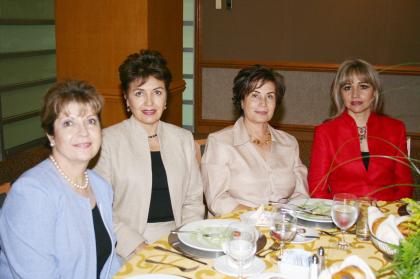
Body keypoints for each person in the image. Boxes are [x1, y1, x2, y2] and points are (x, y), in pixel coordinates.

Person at [0, 80, 121, 278]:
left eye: (91, 121)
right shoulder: (31, 193)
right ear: (51, 135)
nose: (83, 132)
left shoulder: (99, 186)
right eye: (68, 123)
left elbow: (108, 263)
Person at [94, 49, 204, 260]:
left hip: (179, 238)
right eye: (139, 93)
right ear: (126, 99)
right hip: (127, 244)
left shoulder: (182, 139)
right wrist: (138, 246)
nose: (149, 102)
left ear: (166, 98)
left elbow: (193, 200)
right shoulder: (107, 141)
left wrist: (185, 239)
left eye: (157, 92)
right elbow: (101, 208)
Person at [201, 65, 309, 216]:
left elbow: (301, 196)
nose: (263, 103)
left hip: (281, 226)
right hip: (236, 228)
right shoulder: (220, 142)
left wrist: (285, 217)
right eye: (255, 95)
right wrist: (260, 217)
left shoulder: (289, 143)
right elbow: (217, 200)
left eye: (270, 96)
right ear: (242, 101)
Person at [308, 59, 413, 200]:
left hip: (386, 216)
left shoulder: (395, 129)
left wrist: (387, 214)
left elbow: (405, 187)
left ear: (375, 92)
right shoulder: (325, 132)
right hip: (344, 216)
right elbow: (317, 190)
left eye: (363, 86)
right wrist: (344, 212)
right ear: (340, 94)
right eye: (347, 87)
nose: (355, 94)